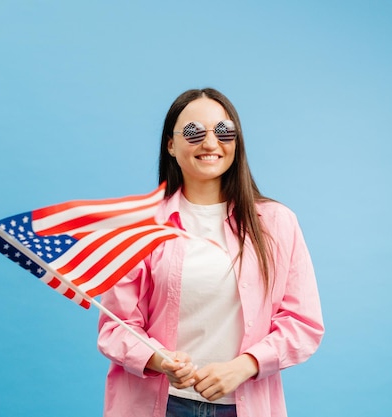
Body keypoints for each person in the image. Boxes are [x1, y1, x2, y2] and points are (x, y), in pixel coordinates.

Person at [97, 88, 324, 417]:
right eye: (193, 132)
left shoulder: (276, 224)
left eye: (224, 131)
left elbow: (303, 324)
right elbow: (115, 327)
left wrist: (244, 366)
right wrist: (159, 359)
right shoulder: (141, 227)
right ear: (171, 145)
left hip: (244, 406)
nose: (210, 143)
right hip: (159, 406)